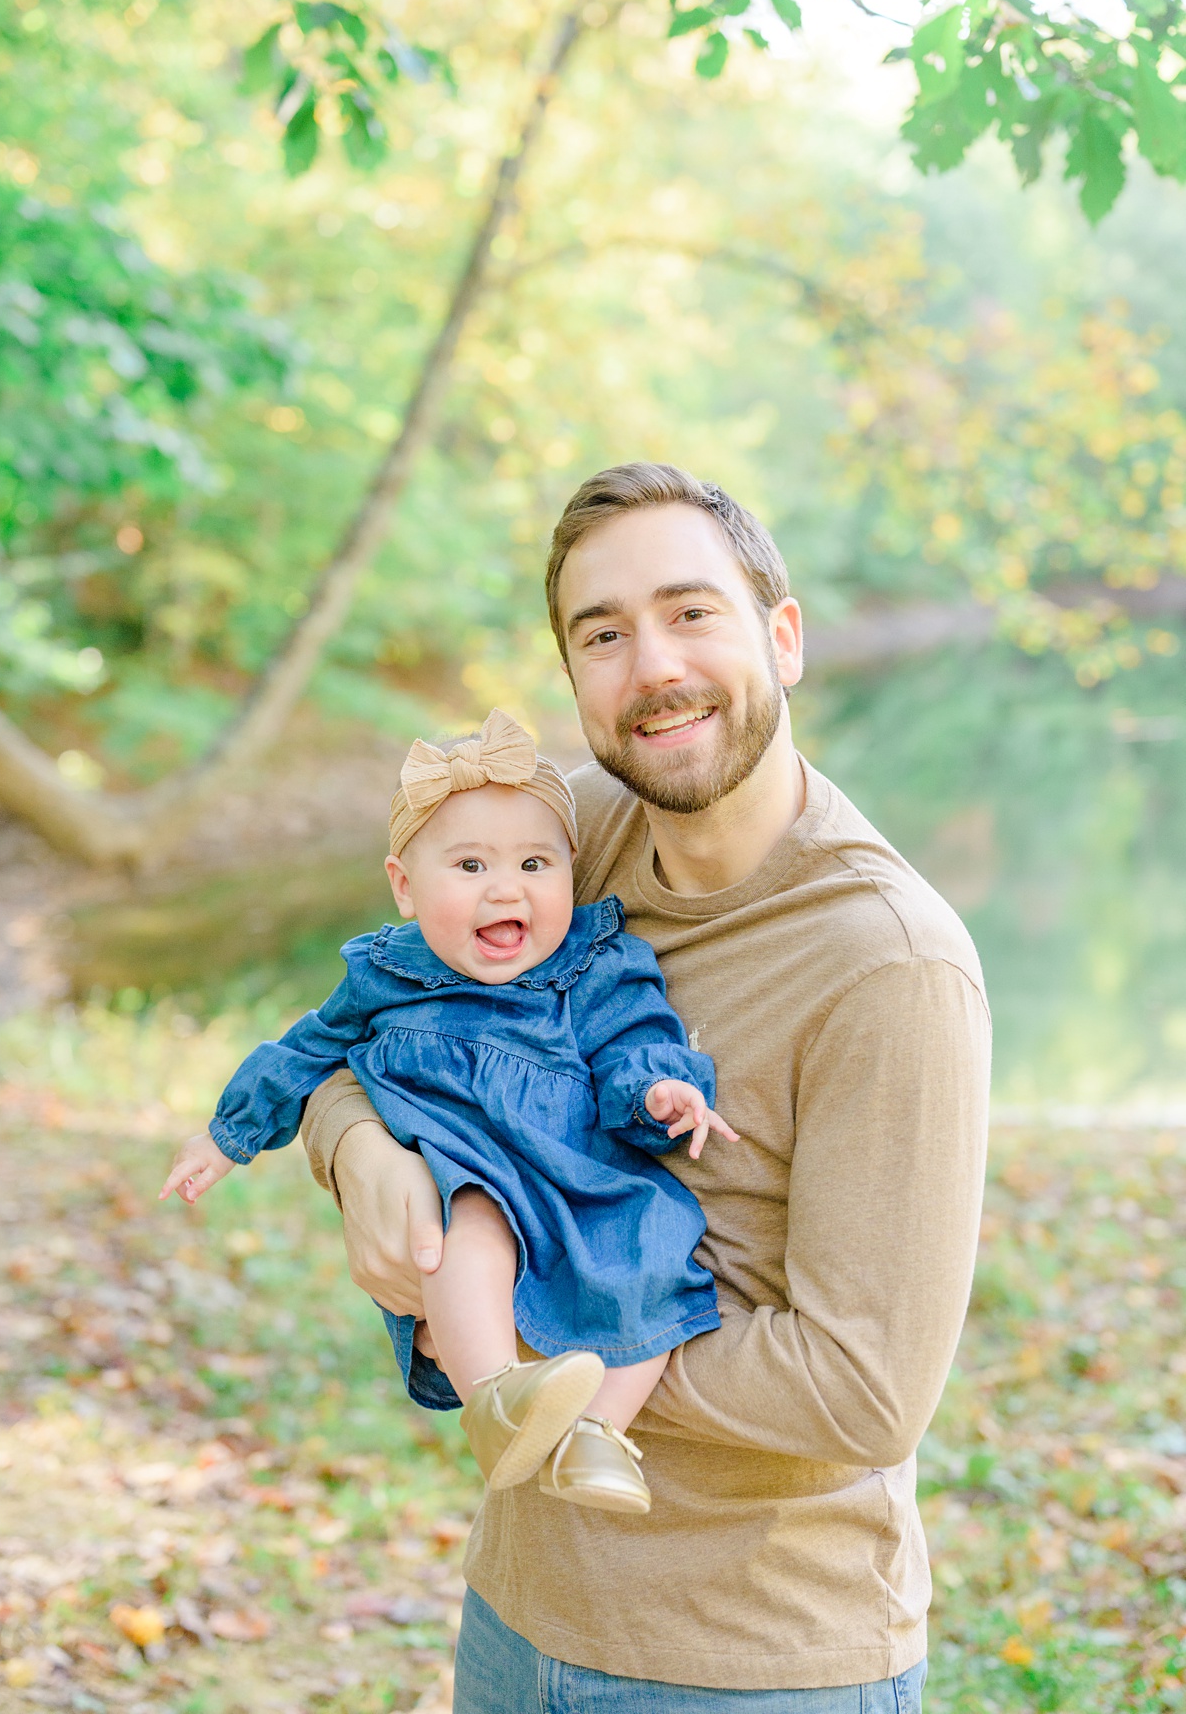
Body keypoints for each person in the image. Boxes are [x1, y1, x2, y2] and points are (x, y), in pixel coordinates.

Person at [301, 463, 990, 1707]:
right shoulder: (568, 835)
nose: (651, 667)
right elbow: (371, 1023)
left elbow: (866, 1389)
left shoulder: (891, 965)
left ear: (782, 637)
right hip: (521, 1613)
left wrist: (527, 1344)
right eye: (603, 634)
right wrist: (358, 1154)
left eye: (692, 612)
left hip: (756, 1663)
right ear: (572, 676)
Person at [163, 710, 736, 1513]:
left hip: (577, 1176)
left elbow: (634, 1041)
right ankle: (496, 1399)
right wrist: (227, 1135)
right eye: (469, 865)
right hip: (466, 1169)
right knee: (474, 1222)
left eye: (535, 864)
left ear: (572, 871)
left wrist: (659, 1090)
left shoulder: (596, 965)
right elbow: (306, 1050)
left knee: (658, 1254)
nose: (507, 888)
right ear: (404, 885)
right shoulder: (389, 971)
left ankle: (598, 1438)